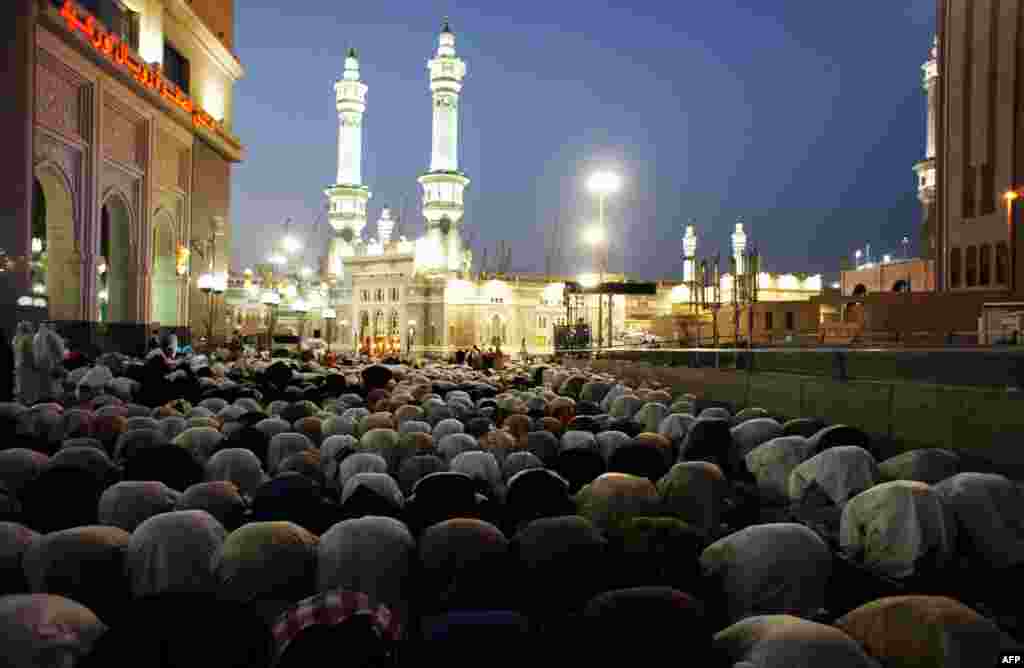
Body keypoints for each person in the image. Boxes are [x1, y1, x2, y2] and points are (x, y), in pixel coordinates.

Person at [13, 322, 40, 405]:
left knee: (21, 389)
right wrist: (35, 365)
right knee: (30, 391)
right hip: (28, 367)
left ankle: (21, 405)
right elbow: (30, 354)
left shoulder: (16, 339)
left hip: (18, 367)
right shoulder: (28, 338)